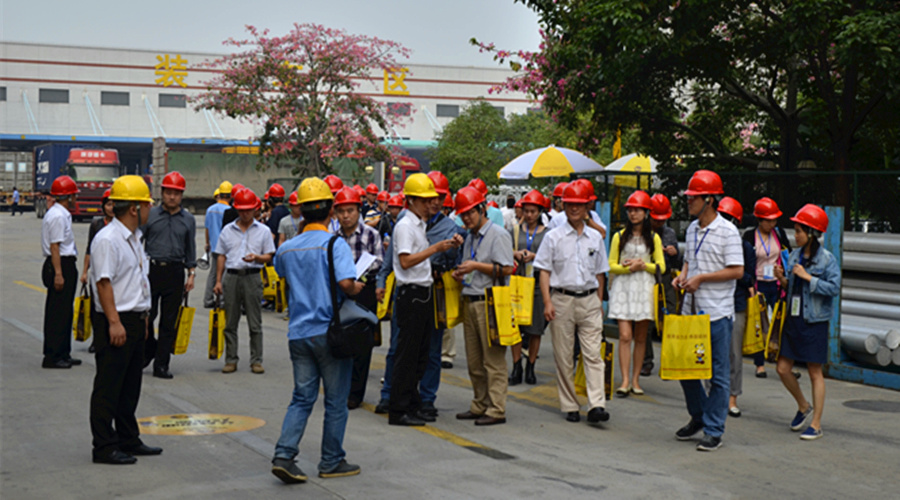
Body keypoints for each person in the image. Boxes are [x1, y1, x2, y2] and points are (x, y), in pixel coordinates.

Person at [270, 178, 365, 483]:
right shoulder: (334, 244)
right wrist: (357, 286)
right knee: (336, 401)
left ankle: (284, 455)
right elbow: (346, 285)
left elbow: (281, 272)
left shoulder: (286, 248)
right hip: (329, 332)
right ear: (331, 211)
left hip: (298, 333)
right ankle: (331, 461)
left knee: (302, 398)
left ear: (301, 210)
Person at [89, 175, 162, 465]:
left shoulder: (134, 238)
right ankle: (104, 446)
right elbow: (103, 283)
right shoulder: (108, 239)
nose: (148, 210)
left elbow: (135, 281)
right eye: (146, 205)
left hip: (134, 318)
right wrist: (114, 322)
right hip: (115, 319)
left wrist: (143, 317)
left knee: (130, 385)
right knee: (109, 385)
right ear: (134, 208)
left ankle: (128, 438)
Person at [672, 170, 743, 452]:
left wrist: (702, 279)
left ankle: (714, 430)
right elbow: (690, 261)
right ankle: (699, 416)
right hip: (692, 314)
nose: (689, 202)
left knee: (718, 376)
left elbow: (737, 270)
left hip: (717, 315)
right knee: (686, 371)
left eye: (694, 198)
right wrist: (683, 276)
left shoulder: (728, 232)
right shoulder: (691, 229)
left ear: (710, 199)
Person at [385, 173, 461, 426]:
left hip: (423, 292)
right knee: (407, 355)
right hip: (412, 294)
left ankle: (412, 403)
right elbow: (406, 261)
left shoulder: (418, 225)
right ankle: (399, 409)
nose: (431, 204)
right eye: (426, 200)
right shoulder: (406, 226)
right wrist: (434, 249)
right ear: (412, 201)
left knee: (420, 354)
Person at [534, 180, 611, 424]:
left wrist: (599, 302)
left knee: (592, 355)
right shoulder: (553, 237)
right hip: (562, 300)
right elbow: (543, 271)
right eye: (569, 204)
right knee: (564, 355)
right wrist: (547, 302)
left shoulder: (595, 238)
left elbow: (600, 272)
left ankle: (597, 404)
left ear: (588, 205)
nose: (573, 209)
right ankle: (570, 404)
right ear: (563, 205)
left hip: (589, 300)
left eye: (578, 204)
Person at [773, 204, 840, 441]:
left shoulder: (827, 260)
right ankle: (803, 405)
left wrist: (808, 277)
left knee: (814, 372)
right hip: (793, 319)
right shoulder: (794, 255)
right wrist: (782, 278)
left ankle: (816, 424)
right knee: (782, 368)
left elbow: (834, 288)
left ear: (811, 233)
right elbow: (791, 287)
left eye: (799, 230)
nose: (795, 235)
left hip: (814, 321)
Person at [451, 186, 514, 426]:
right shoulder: (470, 237)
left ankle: (497, 408)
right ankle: (479, 404)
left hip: (490, 302)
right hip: (470, 299)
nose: (466, 218)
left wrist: (476, 266)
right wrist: (463, 273)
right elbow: (472, 266)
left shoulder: (498, 234)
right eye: (463, 214)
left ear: (481, 209)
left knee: (493, 360)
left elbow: (507, 268)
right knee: (474, 361)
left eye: (470, 212)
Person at [608, 190, 665, 397]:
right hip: (623, 287)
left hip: (644, 287)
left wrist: (643, 265)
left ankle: (635, 380)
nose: (633, 214)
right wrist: (627, 269)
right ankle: (624, 380)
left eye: (638, 210)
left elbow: (662, 266)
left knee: (641, 338)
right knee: (625, 335)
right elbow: (610, 265)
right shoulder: (618, 236)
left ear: (646, 212)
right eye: (631, 210)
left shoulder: (654, 238)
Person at [213, 188, 276, 374]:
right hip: (231, 277)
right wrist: (218, 280)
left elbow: (269, 255)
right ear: (237, 209)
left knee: (254, 322)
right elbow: (221, 256)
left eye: (249, 210)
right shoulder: (227, 230)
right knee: (230, 321)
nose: (245, 213)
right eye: (242, 210)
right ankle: (231, 359)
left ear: (255, 209)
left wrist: (257, 258)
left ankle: (256, 360)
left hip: (252, 277)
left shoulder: (263, 231)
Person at [333, 187, 383, 410]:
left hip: (365, 291)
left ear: (358, 211)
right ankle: (340, 388)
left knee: (363, 345)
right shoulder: (333, 239)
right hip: (340, 292)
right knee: (341, 341)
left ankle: (355, 394)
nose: (346, 216)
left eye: (350, 210)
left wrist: (359, 274)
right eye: (341, 211)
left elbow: (379, 262)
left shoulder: (371, 235)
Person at [143, 172, 197, 379]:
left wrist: (191, 274)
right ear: (162, 193)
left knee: (168, 322)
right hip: (152, 271)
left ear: (181, 195)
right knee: (147, 317)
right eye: (168, 192)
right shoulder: (151, 215)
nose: (172, 197)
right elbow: (139, 242)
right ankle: (149, 350)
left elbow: (190, 248)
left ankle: (161, 365)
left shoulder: (188, 220)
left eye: (176, 193)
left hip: (175, 272)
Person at [715, 197, 756, 418]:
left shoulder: (745, 247)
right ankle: (713, 394)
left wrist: (732, 272)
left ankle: (732, 397)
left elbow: (748, 276)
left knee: (733, 352)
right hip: (713, 301)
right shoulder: (710, 240)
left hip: (736, 303)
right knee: (712, 352)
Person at [744, 196, 792, 378]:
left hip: (777, 284)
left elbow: (788, 254)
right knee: (760, 325)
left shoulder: (779, 234)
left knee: (781, 324)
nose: (772, 223)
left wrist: (784, 273)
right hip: (758, 285)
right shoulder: (750, 236)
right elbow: (745, 261)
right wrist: (749, 285)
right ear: (759, 220)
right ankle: (759, 364)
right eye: (768, 220)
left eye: (774, 219)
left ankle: (785, 363)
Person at [508, 189, 549, 386]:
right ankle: (516, 365)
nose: (530, 215)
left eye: (534, 211)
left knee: (535, 329)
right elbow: (505, 251)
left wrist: (536, 257)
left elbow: (551, 258)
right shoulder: (514, 231)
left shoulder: (548, 234)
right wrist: (515, 253)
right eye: (527, 211)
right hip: (517, 283)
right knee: (515, 327)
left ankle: (530, 366)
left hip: (538, 284)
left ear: (540, 211)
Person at [41, 175, 81, 369]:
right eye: (74, 195)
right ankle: (53, 356)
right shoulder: (57, 215)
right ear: (68, 196)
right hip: (60, 264)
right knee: (58, 313)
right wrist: (58, 273)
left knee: (65, 311)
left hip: (64, 263)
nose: (75, 198)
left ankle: (63, 352)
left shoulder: (61, 213)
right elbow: (55, 247)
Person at [642, 193, 681, 376]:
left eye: (662, 220)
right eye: (656, 219)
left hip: (665, 279)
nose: (659, 223)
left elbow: (679, 263)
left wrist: (674, 254)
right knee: (647, 321)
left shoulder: (670, 233)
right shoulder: (640, 231)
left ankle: (671, 358)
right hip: (647, 278)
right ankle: (646, 361)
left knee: (670, 317)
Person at [81, 189, 115, 353]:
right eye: (108, 204)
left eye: (114, 204)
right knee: (96, 307)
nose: (111, 208)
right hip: (97, 271)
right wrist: (85, 272)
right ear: (103, 206)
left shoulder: (121, 225)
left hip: (114, 272)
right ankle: (97, 338)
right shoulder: (96, 224)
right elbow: (89, 249)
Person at [205, 181, 232, 308]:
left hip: (214, 246)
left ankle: (208, 299)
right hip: (225, 247)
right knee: (224, 274)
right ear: (230, 195)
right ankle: (221, 301)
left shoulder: (210, 209)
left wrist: (207, 243)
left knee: (213, 274)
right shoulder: (229, 211)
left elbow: (207, 228)